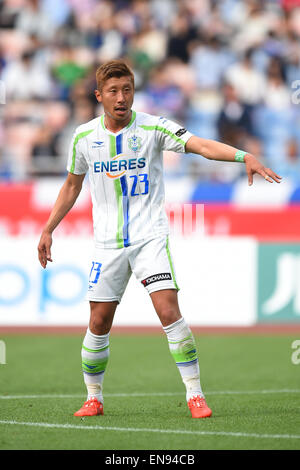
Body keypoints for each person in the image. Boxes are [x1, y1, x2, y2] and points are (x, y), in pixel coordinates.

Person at [37, 60, 281, 419]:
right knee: (99, 322)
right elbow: (73, 185)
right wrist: (48, 228)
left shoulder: (153, 126)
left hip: (150, 238)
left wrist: (243, 155)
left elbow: (199, 145)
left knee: (168, 310)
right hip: (107, 245)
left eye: (127, 90)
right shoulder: (84, 137)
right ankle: (94, 397)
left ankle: (195, 395)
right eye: (114, 91)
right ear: (99, 95)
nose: (122, 98)